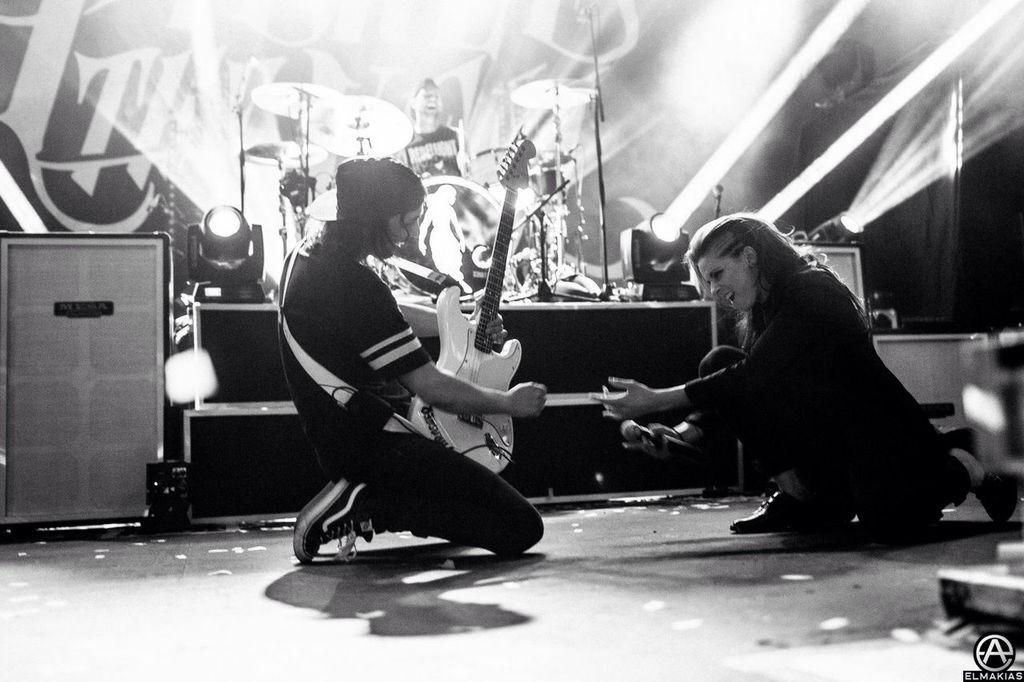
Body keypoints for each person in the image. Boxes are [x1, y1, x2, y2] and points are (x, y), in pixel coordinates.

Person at [593, 213, 1017, 539]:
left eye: (717, 275)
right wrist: (685, 433)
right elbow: (745, 388)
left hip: (879, 436)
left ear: (749, 256)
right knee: (719, 360)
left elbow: (755, 375)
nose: (712, 292)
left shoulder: (811, 290)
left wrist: (656, 398)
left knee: (888, 527)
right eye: (706, 281)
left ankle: (962, 463)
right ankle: (800, 497)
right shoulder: (765, 306)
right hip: (827, 442)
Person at [278, 157, 546, 563]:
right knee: (521, 527)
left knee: (470, 514)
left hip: (340, 431)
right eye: (403, 222)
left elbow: (383, 318)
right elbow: (433, 389)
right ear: (370, 219)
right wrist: (510, 404)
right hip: (369, 445)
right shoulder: (355, 285)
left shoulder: (310, 257)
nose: (406, 236)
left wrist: (458, 326)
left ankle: (369, 497)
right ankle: (371, 503)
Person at [399, 78, 467, 178]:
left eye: (437, 96)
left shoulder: (457, 135)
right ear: (413, 103)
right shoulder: (404, 144)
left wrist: (468, 168)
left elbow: (473, 177)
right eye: (427, 96)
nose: (433, 99)